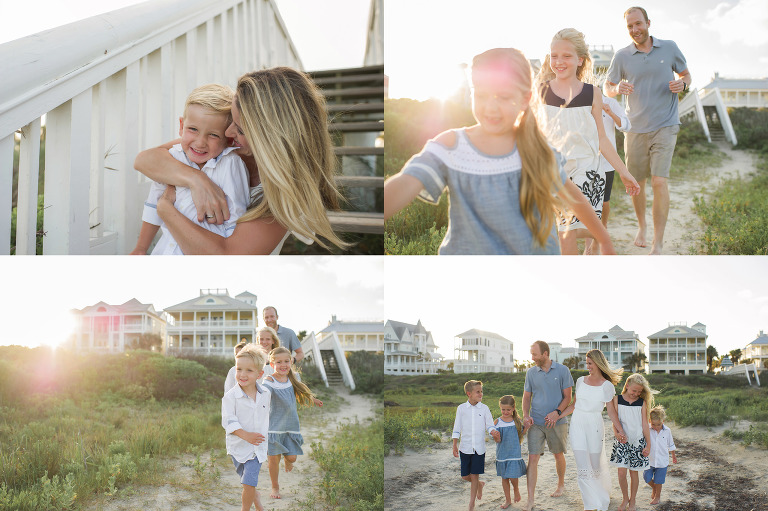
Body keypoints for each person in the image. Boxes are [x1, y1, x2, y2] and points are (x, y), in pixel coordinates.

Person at [384, 47, 617, 255]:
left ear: (525, 99)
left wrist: (604, 240)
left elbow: (574, 197)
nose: (490, 107)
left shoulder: (537, 150)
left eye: (503, 97)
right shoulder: (452, 145)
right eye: (481, 95)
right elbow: (406, 182)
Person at [134, 67, 349, 254]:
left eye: (239, 128)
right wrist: (197, 180)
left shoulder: (285, 196)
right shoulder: (226, 146)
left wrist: (165, 210)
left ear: (270, 138)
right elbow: (145, 160)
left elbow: (226, 257)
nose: (228, 132)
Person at [536, 28, 640, 255]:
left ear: (580, 60)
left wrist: (624, 172)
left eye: (566, 56)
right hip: (553, 172)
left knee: (572, 234)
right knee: (560, 236)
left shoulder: (593, 93)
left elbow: (602, 138)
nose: (559, 61)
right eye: (554, 55)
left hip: (587, 173)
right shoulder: (541, 91)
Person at [604, 7, 691, 254]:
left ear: (648, 23)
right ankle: (642, 227)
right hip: (634, 128)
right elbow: (607, 87)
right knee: (636, 183)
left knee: (659, 181)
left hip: (666, 124)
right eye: (630, 26)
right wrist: (616, 89)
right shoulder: (622, 56)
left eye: (638, 24)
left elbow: (687, 74)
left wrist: (683, 83)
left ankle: (658, 242)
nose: (635, 30)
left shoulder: (670, 47)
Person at [131, 84, 249, 255]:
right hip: (167, 252)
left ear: (229, 139)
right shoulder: (172, 158)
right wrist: (141, 248)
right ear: (181, 125)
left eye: (213, 135)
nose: (200, 142)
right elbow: (153, 202)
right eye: (193, 129)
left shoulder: (230, 165)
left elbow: (236, 218)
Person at [559, 349, 627, 511]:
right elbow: (574, 405)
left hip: (595, 425)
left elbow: (611, 412)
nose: (587, 366)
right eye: (587, 363)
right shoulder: (581, 381)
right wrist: (557, 415)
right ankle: (589, 504)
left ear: (598, 363)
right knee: (582, 465)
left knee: (595, 465)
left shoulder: (607, 386)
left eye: (590, 363)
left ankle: (601, 495)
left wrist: (620, 430)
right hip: (578, 424)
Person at [262, 347, 323, 500]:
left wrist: (313, 399)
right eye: (279, 362)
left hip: (290, 425)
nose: (283, 365)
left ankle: (288, 461)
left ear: (291, 361)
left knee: (292, 458)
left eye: (286, 361)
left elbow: (301, 391)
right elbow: (262, 394)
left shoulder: (294, 377)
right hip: (274, 426)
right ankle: (275, 487)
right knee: (273, 458)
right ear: (272, 363)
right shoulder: (269, 380)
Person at [522, 341, 574, 511]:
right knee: (533, 458)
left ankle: (560, 485)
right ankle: (530, 498)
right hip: (536, 422)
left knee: (558, 455)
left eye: (535, 354)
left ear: (545, 353)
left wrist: (557, 412)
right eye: (531, 354)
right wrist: (526, 415)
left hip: (557, 422)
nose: (532, 358)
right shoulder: (531, 372)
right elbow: (526, 397)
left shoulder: (563, 370)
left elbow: (568, 397)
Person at [221, 344, 271, 511]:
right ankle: (258, 505)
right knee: (247, 482)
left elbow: (266, 418)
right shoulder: (230, 397)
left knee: (248, 483)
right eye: (239, 369)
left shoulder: (266, 394)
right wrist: (245, 435)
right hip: (238, 448)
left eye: (249, 370)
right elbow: (228, 421)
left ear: (260, 374)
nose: (242, 374)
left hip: (257, 447)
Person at [585, 94, 631, 255]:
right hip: (586, 160)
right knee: (588, 202)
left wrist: (610, 112)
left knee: (604, 202)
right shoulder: (580, 99)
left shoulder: (610, 102)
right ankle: (588, 244)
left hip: (606, 161)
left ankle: (602, 231)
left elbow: (626, 125)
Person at [452, 380, 500, 511]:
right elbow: (457, 427)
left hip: (479, 449)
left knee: (474, 475)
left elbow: (489, 425)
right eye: (477, 391)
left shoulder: (484, 408)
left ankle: (471, 503)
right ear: (469, 393)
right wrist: (454, 444)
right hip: (465, 448)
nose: (481, 394)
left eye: (481, 391)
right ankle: (479, 484)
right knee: (465, 476)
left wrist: (493, 431)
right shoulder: (461, 408)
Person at [609, 374, 653, 511]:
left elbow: (645, 424)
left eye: (639, 392)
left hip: (637, 442)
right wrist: (617, 433)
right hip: (622, 442)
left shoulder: (642, 403)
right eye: (634, 390)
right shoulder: (617, 399)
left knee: (634, 473)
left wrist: (648, 444)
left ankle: (632, 501)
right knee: (621, 473)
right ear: (627, 385)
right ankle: (625, 498)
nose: (636, 394)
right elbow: (614, 420)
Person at [494, 395, 529, 509]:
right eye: (503, 409)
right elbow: (496, 440)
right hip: (502, 454)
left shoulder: (517, 421)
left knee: (513, 476)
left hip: (514, 453)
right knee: (504, 478)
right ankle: (508, 499)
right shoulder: (497, 422)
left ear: (513, 408)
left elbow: (521, 434)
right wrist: (496, 437)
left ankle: (516, 489)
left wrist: (527, 427)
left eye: (508, 409)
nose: (505, 412)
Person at [645, 405, 677, 505]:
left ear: (662, 421)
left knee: (659, 480)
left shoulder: (667, 431)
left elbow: (671, 444)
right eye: (654, 424)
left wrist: (674, 456)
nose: (656, 427)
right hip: (649, 460)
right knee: (647, 477)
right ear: (650, 421)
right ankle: (654, 487)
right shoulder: (647, 429)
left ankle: (657, 496)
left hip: (662, 460)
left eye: (658, 424)